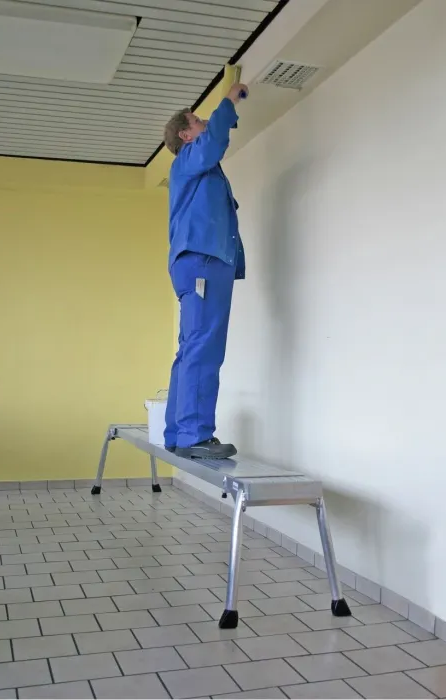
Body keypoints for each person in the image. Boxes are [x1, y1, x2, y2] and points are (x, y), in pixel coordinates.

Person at [161, 83, 249, 459]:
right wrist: (228, 101)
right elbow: (213, 140)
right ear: (186, 135)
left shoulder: (199, 171)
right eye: (197, 121)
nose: (203, 123)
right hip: (203, 261)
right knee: (203, 347)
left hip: (201, 262)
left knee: (191, 348)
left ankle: (177, 433)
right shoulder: (190, 158)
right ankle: (194, 434)